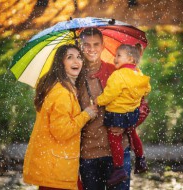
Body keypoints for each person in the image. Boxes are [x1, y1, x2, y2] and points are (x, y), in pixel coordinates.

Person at [23, 44, 98, 190]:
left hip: (58, 167)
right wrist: (86, 114)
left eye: (79, 57)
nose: (76, 61)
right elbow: (62, 132)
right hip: (56, 170)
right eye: (69, 57)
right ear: (61, 63)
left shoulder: (65, 89)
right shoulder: (61, 93)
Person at [77, 28, 133, 190]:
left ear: (102, 46)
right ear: (80, 46)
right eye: (86, 45)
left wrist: (125, 124)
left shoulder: (118, 72)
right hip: (88, 154)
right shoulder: (74, 76)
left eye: (96, 44)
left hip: (118, 153)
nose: (92, 49)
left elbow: (141, 106)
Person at [96, 43, 151, 186]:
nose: (115, 58)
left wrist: (98, 101)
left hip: (117, 113)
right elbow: (147, 89)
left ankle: (119, 168)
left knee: (115, 139)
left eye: (119, 55)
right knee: (133, 134)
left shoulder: (118, 75)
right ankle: (140, 158)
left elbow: (110, 94)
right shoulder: (138, 73)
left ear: (131, 59)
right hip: (132, 113)